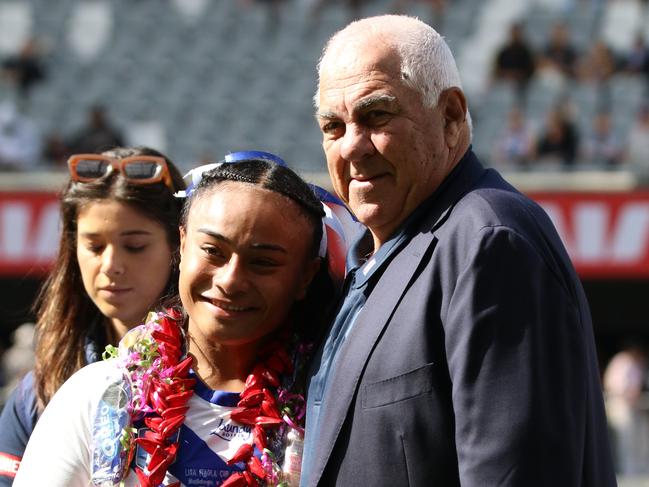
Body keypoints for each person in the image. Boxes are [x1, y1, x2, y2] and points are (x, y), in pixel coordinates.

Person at [301, 14, 616, 486]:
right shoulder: (372, 254)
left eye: (376, 116)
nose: (351, 147)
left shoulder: (490, 243)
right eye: (333, 126)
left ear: (450, 116)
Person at [13, 156, 348, 486]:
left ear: (306, 276)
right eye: (213, 251)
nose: (230, 280)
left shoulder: (332, 409)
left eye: (262, 262)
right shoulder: (100, 394)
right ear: (183, 243)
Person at [0, 146, 185, 484]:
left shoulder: (223, 377)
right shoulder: (37, 392)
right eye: (94, 246)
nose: (111, 265)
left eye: (135, 246)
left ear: (178, 244)